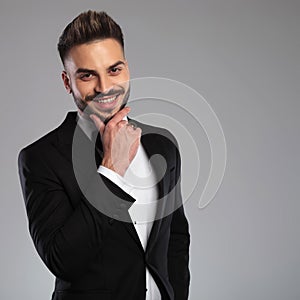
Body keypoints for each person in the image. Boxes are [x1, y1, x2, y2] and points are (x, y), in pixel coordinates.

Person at [18, 10, 190, 300]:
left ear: (127, 68)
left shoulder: (163, 144)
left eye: (114, 70)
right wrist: (111, 169)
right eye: (87, 75)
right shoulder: (40, 159)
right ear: (67, 81)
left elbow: (175, 239)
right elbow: (62, 261)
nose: (105, 87)